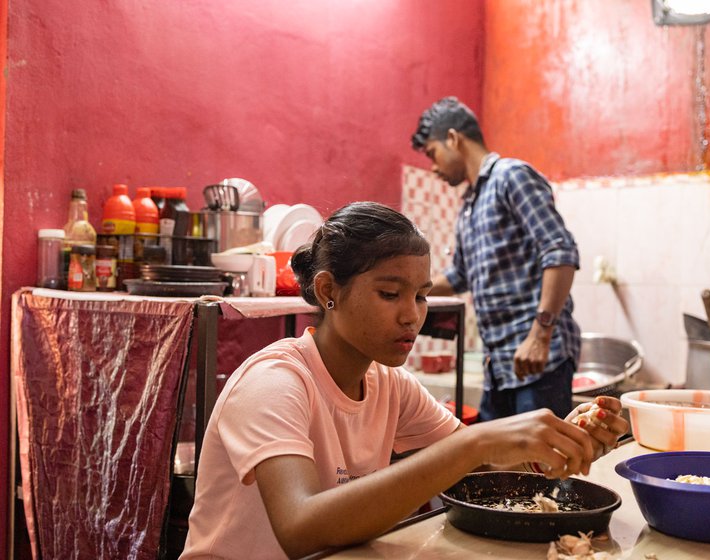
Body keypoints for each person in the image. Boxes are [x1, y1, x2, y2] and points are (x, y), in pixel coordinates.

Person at [180, 201, 627, 560]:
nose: (412, 315)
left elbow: (482, 469)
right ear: (328, 291)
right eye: (389, 294)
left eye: (421, 295)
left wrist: (561, 442)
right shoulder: (275, 383)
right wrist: (473, 443)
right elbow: (301, 530)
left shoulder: (390, 384)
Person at [412, 96, 581, 421]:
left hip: (538, 358)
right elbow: (458, 276)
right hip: (500, 366)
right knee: (498, 468)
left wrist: (540, 334)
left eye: (432, 153)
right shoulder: (469, 206)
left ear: (453, 138)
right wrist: (407, 288)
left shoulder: (510, 176)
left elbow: (560, 251)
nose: (433, 167)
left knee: (537, 470)